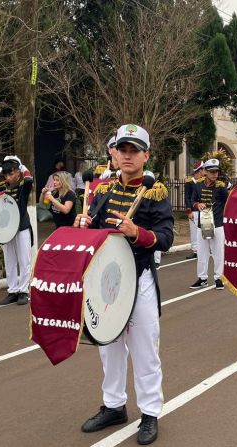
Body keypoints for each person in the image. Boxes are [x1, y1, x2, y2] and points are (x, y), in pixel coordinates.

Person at [74, 124, 173, 445]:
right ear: (114, 153)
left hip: (139, 277)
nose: (128, 156)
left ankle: (149, 411)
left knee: (144, 348)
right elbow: (93, 232)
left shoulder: (154, 191)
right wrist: (84, 224)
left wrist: (138, 233)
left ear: (146, 155)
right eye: (122, 150)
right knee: (109, 346)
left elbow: (167, 237)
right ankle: (114, 405)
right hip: (106, 281)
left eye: (135, 151)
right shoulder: (100, 191)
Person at [0, 155, 33, 306]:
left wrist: (24, 167)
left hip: (21, 227)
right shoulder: (2, 186)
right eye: (6, 174)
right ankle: (13, 290)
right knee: (9, 260)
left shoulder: (22, 185)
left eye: (11, 173)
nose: (8, 177)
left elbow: (29, 180)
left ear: (18, 173)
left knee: (24, 260)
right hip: (6, 229)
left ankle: (24, 291)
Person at [189, 158, 228, 290]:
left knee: (218, 253)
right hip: (202, 224)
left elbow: (228, 204)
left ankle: (219, 278)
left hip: (217, 225)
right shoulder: (198, 185)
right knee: (202, 253)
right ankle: (202, 278)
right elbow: (192, 200)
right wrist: (197, 204)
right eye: (212, 171)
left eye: (216, 171)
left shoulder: (221, 187)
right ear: (205, 171)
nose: (215, 174)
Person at [184, 161, 204, 260]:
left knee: (203, 230)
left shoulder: (203, 182)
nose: (204, 172)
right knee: (194, 231)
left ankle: (204, 249)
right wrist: (189, 211)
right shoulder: (189, 183)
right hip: (194, 211)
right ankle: (195, 250)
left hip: (203, 211)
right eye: (203, 170)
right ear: (199, 171)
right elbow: (187, 197)